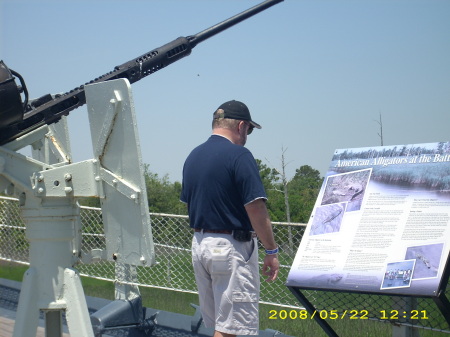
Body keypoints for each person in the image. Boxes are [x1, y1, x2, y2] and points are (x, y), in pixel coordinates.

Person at [180, 100, 279, 337]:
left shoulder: (193, 156)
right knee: (232, 329)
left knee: (220, 326)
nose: (248, 135)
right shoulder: (239, 155)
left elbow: (189, 202)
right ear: (241, 125)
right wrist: (271, 250)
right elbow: (255, 207)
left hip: (200, 244)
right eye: (250, 130)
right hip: (230, 248)